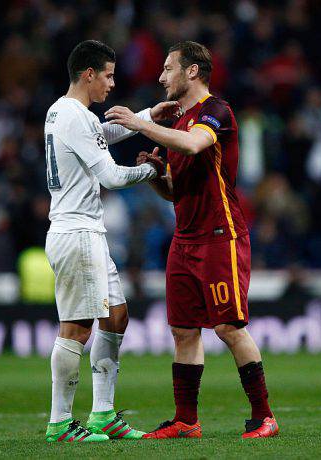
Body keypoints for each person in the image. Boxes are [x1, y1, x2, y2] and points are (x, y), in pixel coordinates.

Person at [105, 41, 278, 440]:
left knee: (228, 327)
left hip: (221, 236)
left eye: (168, 69)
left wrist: (139, 123)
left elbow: (195, 144)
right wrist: (155, 176)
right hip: (184, 239)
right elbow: (175, 190)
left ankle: (264, 415)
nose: (161, 76)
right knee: (183, 331)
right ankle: (186, 420)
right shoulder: (179, 124)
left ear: (192, 72)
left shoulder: (216, 112)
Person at [43, 40, 179, 443]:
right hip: (77, 232)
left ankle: (102, 414)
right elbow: (112, 176)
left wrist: (146, 116)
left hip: (86, 232)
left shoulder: (63, 112)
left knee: (116, 316)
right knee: (77, 329)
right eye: (108, 75)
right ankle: (60, 423)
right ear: (89, 74)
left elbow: (99, 135)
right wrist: (151, 172)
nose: (112, 83)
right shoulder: (75, 117)